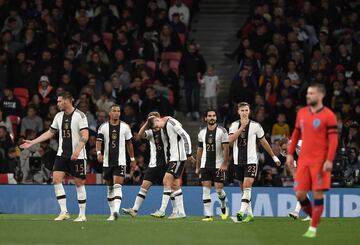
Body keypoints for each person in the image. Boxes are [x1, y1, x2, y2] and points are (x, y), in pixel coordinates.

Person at [20, 92, 89, 222]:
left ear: (68, 101)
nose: (57, 104)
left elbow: (85, 135)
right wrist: (33, 142)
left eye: (59, 101)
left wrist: (77, 150)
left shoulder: (80, 115)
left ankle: (82, 215)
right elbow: (50, 132)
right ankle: (64, 212)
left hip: (78, 155)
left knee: (79, 183)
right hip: (62, 154)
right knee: (56, 180)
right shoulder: (58, 116)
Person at [286, 83, 338, 238]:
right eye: (307, 93)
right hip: (304, 161)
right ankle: (313, 217)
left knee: (317, 194)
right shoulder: (302, 113)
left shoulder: (329, 115)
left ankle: (313, 227)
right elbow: (295, 134)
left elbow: (333, 140)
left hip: (320, 161)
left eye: (312, 93)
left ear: (321, 96)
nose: (308, 96)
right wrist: (289, 154)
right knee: (300, 193)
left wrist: (329, 160)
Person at [229, 102, 280, 223]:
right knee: (243, 189)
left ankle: (241, 212)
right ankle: (250, 213)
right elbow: (230, 140)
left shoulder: (256, 126)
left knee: (247, 186)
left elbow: (264, 142)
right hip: (237, 162)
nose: (245, 113)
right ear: (238, 112)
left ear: (249, 111)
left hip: (251, 161)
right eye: (242, 110)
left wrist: (274, 157)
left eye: (246, 110)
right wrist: (242, 127)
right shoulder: (234, 125)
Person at [147, 115, 194, 219]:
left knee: (166, 181)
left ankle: (162, 210)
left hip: (177, 158)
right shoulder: (165, 124)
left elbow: (185, 135)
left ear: (158, 120)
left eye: (156, 126)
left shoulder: (172, 123)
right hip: (173, 158)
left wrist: (189, 153)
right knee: (175, 185)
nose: (157, 129)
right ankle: (181, 213)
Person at [122, 112, 169, 217]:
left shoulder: (165, 130)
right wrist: (147, 123)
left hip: (165, 163)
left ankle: (174, 211)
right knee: (144, 186)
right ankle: (134, 210)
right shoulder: (150, 132)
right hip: (153, 165)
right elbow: (139, 136)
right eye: (150, 118)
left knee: (170, 186)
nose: (153, 120)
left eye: (155, 118)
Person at [96, 104, 136, 221]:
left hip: (121, 162)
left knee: (117, 186)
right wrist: (99, 153)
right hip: (107, 162)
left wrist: (132, 159)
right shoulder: (103, 127)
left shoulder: (125, 127)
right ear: (110, 113)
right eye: (114, 111)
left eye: (118, 111)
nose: (117, 113)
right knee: (110, 188)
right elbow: (99, 141)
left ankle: (115, 212)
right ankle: (111, 212)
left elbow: (129, 144)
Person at [195, 109, 229, 222]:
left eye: (214, 115)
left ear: (216, 118)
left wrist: (225, 163)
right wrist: (197, 166)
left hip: (218, 165)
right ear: (205, 118)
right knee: (205, 190)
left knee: (219, 190)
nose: (212, 117)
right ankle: (208, 216)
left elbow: (226, 149)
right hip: (205, 165)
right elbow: (199, 150)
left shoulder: (222, 131)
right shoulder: (201, 133)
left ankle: (223, 206)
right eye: (209, 116)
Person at [279, 137, 310, 221]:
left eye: (285, 148)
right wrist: (294, 173)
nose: (284, 151)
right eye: (283, 149)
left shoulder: (300, 147)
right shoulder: (284, 152)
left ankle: (296, 212)